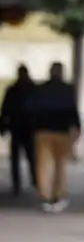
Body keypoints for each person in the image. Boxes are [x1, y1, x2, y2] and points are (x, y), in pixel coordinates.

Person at [29, 62, 80, 212]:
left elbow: (33, 109)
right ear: (62, 73)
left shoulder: (41, 89)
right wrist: (77, 126)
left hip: (43, 130)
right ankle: (58, 194)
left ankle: (45, 196)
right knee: (60, 164)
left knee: (43, 165)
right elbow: (72, 109)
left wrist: (32, 126)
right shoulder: (67, 89)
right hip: (62, 130)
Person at [0, 65, 37, 195]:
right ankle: (34, 180)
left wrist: (3, 126)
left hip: (17, 127)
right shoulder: (33, 89)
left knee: (17, 157)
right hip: (28, 127)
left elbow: (5, 110)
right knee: (31, 156)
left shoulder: (12, 90)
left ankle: (17, 184)